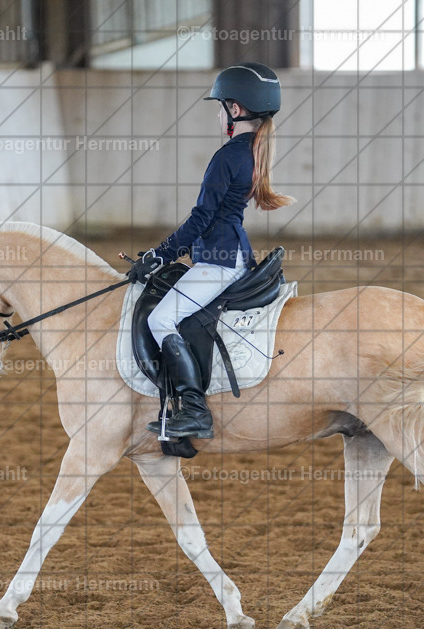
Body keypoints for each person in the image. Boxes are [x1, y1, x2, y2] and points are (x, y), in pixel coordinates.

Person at [127, 62, 294, 440]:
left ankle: (195, 410)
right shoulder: (252, 151)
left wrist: (160, 254)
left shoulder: (227, 156)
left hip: (218, 260)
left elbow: (200, 219)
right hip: (228, 255)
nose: (218, 115)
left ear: (235, 110)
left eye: (221, 107)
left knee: (159, 321)